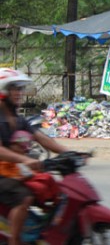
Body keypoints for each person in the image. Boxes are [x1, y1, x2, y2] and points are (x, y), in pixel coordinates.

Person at [0, 68, 68, 245]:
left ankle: (36, 232)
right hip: (2, 174)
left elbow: (41, 137)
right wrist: (26, 160)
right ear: (3, 91)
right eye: (15, 88)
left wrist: (68, 152)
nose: (19, 93)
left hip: (13, 170)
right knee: (25, 196)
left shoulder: (17, 118)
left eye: (21, 89)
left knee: (51, 189)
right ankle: (14, 240)